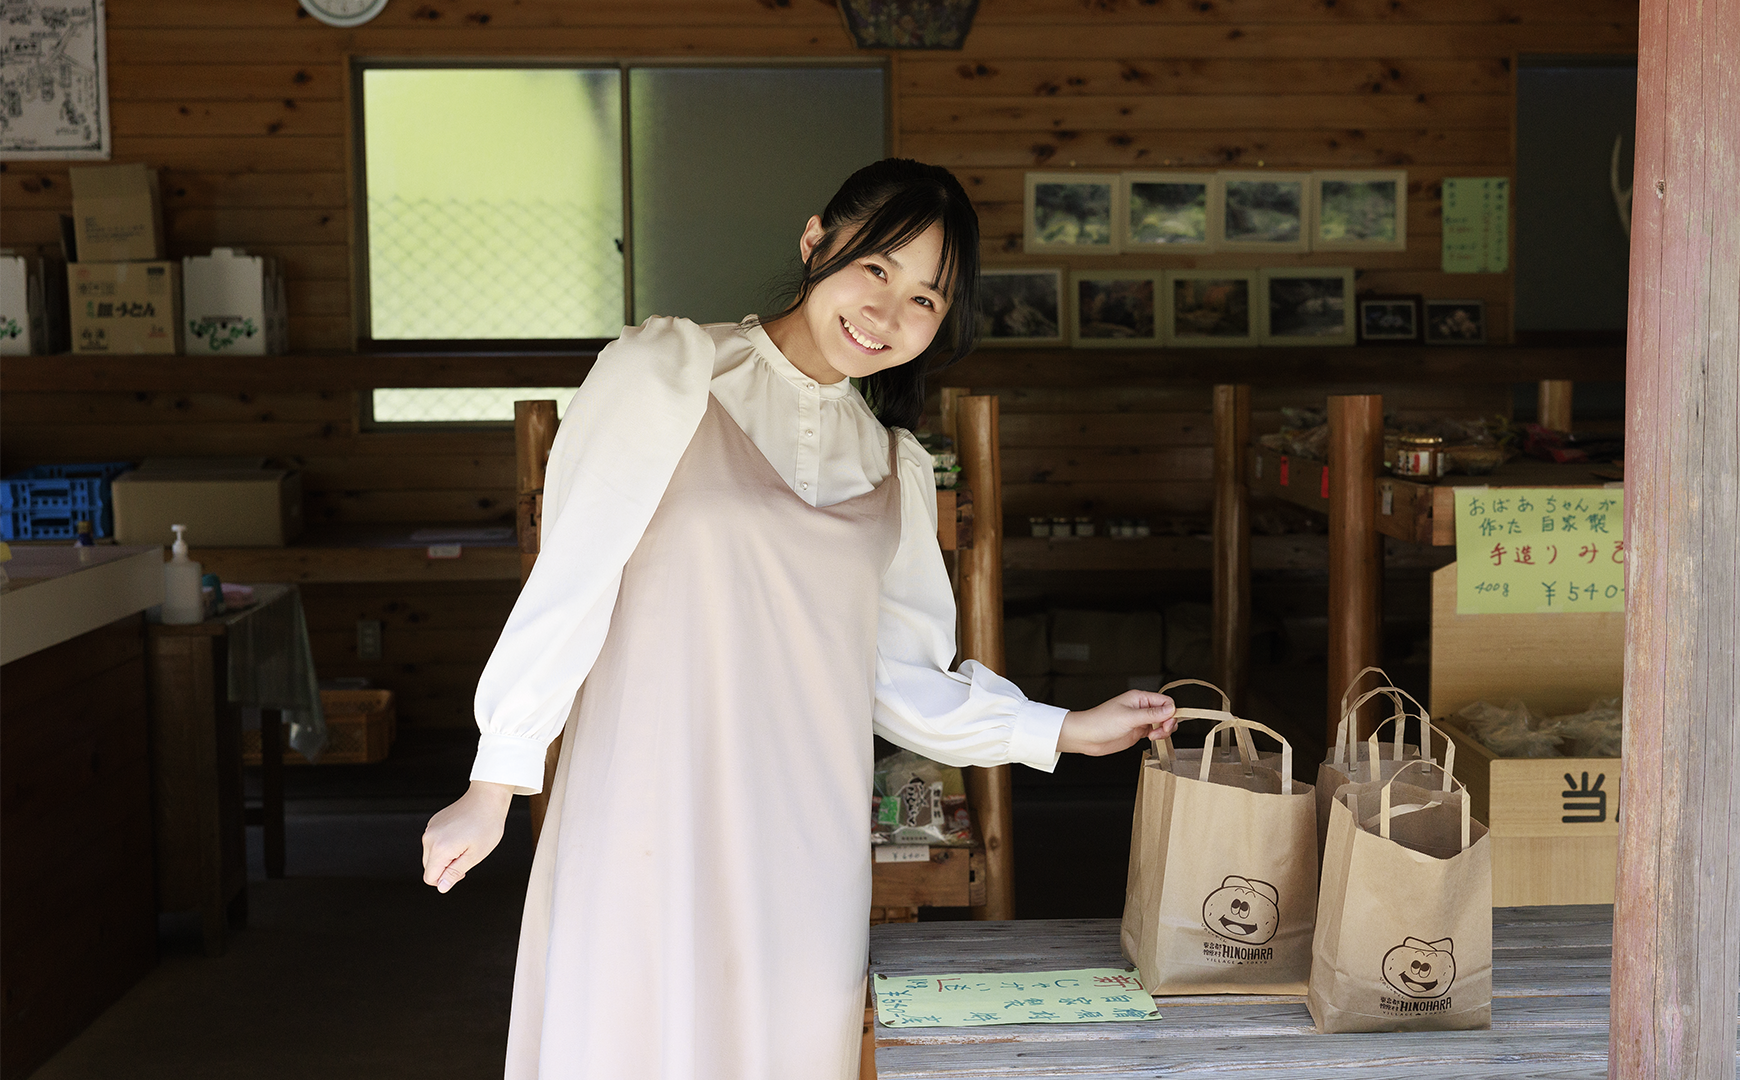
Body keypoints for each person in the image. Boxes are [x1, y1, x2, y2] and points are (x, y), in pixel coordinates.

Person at [419, 158, 1178, 1080]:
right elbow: (572, 580)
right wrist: (496, 780)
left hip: (807, 841)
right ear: (817, 241)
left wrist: (1065, 729)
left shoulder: (892, 464)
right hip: (646, 811)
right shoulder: (669, 373)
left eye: (925, 300)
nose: (887, 313)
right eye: (876, 268)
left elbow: (896, 678)